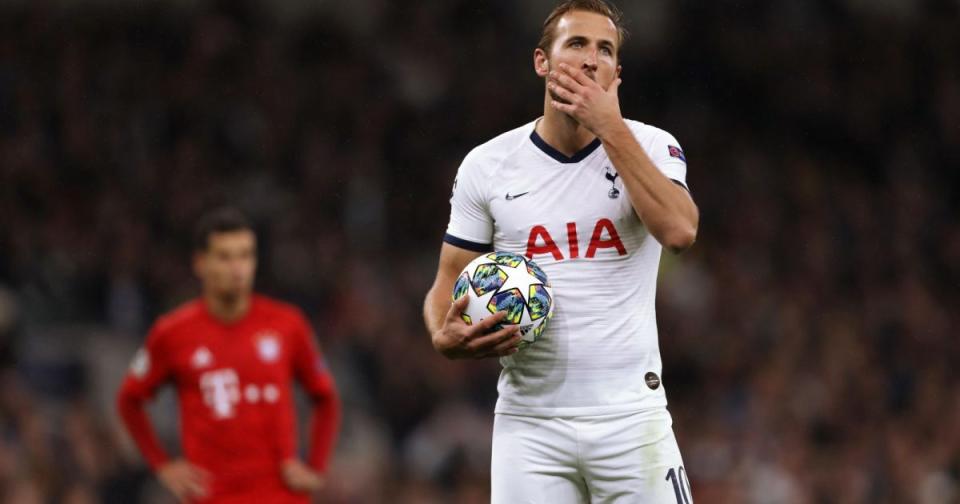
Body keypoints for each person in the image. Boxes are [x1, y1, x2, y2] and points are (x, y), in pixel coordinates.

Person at [423, 1, 699, 502]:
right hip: (530, 427)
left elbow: (680, 231)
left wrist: (610, 127)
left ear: (618, 71)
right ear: (541, 62)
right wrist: (443, 335)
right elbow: (449, 279)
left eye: (605, 50)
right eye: (577, 44)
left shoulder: (652, 146)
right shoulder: (488, 165)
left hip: (631, 418)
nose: (592, 59)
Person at [116, 207, 340, 503]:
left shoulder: (288, 324)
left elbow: (325, 397)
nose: (238, 268)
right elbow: (129, 399)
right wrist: (163, 465)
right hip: (213, 497)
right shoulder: (172, 333)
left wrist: (316, 467)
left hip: (280, 495)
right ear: (200, 263)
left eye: (246, 255)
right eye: (225, 257)